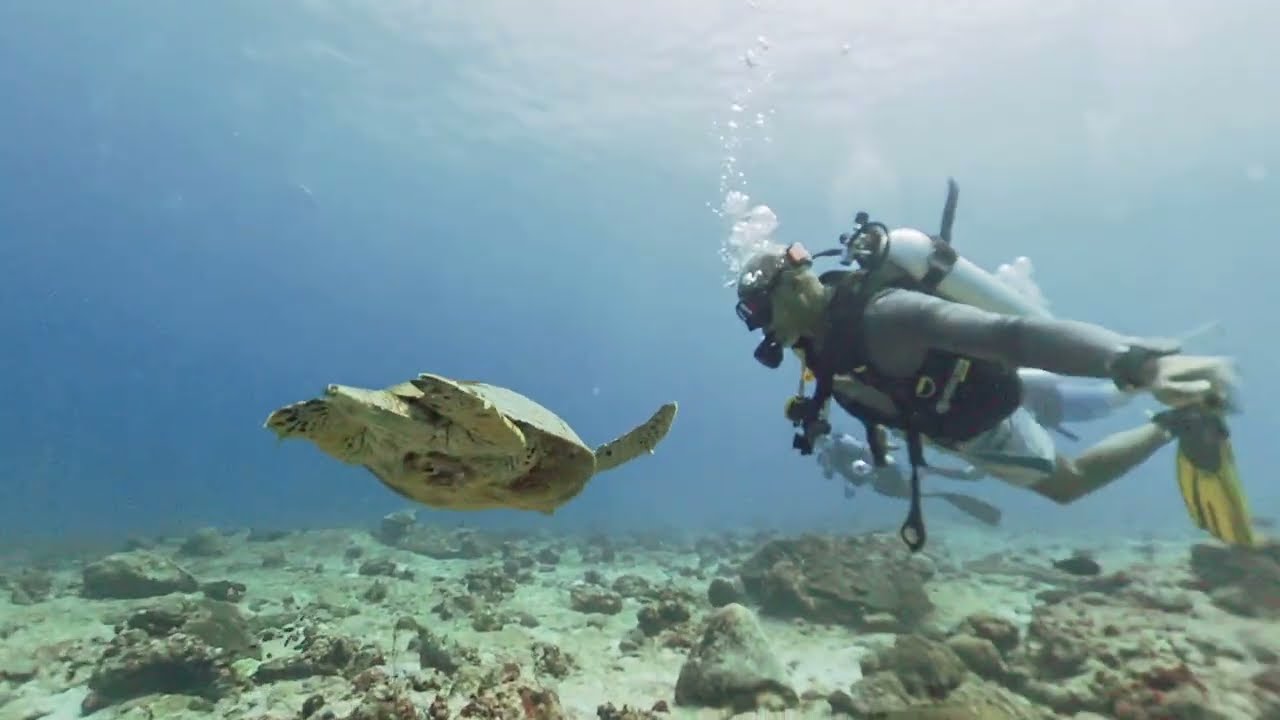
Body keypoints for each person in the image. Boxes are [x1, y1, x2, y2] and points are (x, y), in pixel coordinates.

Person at [733, 179, 1245, 550]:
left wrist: (1128, 361)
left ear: (798, 285)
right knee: (1067, 400)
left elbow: (1009, 335)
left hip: (981, 423)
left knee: (1069, 483)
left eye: (759, 312)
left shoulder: (885, 315)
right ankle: (1148, 378)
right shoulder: (815, 342)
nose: (760, 328)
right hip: (977, 393)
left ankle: (1170, 416)